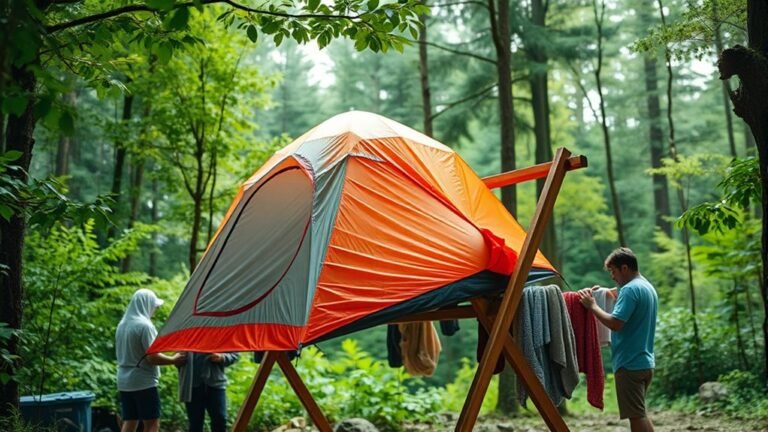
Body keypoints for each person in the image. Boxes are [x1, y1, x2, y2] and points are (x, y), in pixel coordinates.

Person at [578, 247, 658, 432]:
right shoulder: (646, 287)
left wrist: (593, 306)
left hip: (629, 364)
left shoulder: (630, 290)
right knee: (640, 413)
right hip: (645, 362)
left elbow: (615, 323)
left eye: (613, 271)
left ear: (624, 268)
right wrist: (609, 294)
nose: (612, 277)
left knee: (636, 416)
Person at [116, 288, 186, 432]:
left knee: (130, 420)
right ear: (145, 304)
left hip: (124, 381)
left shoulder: (122, 325)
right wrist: (173, 360)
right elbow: (152, 357)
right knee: (152, 423)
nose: (154, 310)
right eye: (154, 306)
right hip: (143, 382)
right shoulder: (145, 326)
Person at [178, 352, 240, 432]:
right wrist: (179, 359)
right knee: (195, 423)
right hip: (192, 384)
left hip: (215, 383)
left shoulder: (219, 338)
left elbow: (235, 354)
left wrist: (222, 357)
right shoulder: (185, 339)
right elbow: (178, 357)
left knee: (220, 419)